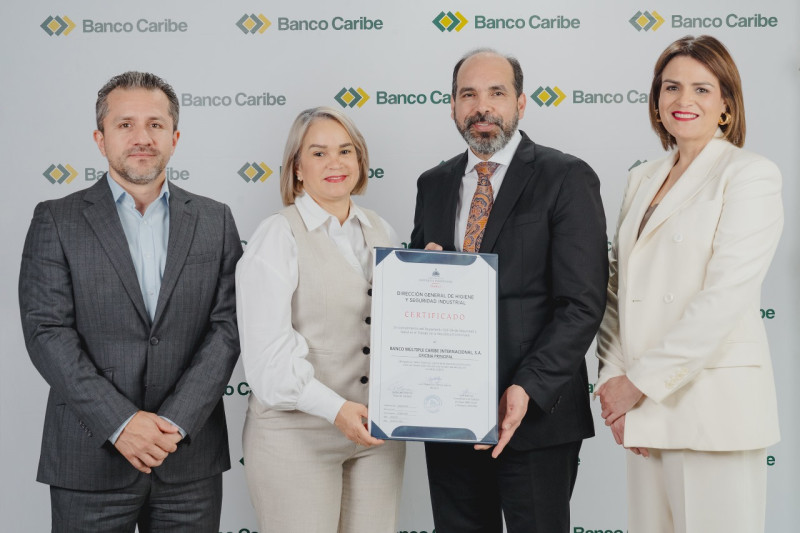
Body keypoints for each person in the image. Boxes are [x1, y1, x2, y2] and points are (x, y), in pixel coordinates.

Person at [18, 71, 242, 532]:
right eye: (125, 125)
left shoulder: (215, 220)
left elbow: (229, 327)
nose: (142, 137)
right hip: (90, 456)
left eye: (155, 124)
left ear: (175, 137)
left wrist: (173, 425)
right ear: (100, 139)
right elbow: (46, 332)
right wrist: (122, 423)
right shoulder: (56, 220)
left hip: (187, 461)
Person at [410, 49, 608, 532]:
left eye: (496, 92)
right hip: (450, 418)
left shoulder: (566, 177)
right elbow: (419, 302)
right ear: (453, 106)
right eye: (468, 94)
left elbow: (581, 303)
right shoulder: (432, 184)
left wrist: (527, 388)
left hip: (536, 417)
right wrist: (426, 278)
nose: (482, 106)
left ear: (521, 102)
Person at [595, 35, 782, 533]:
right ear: (656, 101)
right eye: (671, 87)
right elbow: (617, 291)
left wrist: (638, 385)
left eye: (702, 89)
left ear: (726, 104)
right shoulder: (643, 178)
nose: (684, 101)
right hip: (644, 411)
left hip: (712, 409)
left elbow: (724, 298)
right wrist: (612, 381)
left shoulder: (749, 174)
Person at [237, 106, 406, 533]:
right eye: (318, 152)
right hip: (296, 437)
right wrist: (337, 410)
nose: (335, 163)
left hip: (375, 438)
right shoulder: (276, 236)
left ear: (361, 160)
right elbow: (268, 365)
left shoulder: (382, 230)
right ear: (296, 167)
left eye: (346, 151)